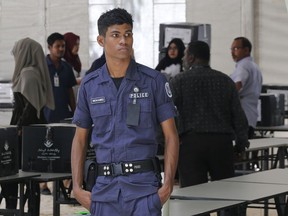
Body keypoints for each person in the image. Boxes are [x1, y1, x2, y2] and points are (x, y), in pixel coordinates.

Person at [71, 8, 179, 216]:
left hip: (144, 190)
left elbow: (171, 135)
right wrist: (77, 188)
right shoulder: (90, 85)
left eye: (128, 34)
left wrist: (167, 186)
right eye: (116, 35)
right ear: (101, 41)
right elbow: (80, 139)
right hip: (104, 193)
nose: (123, 40)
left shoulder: (153, 81)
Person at [169, 41, 250, 188]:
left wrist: (168, 142)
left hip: (190, 145)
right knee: (226, 195)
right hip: (222, 145)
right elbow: (238, 116)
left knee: (194, 197)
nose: (183, 59)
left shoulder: (178, 81)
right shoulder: (226, 81)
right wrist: (240, 145)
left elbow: (166, 114)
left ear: (191, 58)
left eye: (185, 55)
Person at [1, 37, 54, 215]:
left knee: (15, 175)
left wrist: (16, 129)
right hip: (28, 132)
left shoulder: (28, 74)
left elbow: (30, 109)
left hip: (24, 135)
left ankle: (14, 210)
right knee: (29, 178)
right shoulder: (31, 73)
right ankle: (29, 211)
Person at [230, 37, 263, 170]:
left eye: (236, 48)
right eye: (231, 49)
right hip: (251, 116)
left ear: (246, 50)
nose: (233, 52)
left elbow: (238, 84)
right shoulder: (255, 66)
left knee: (237, 155)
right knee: (244, 155)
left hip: (241, 116)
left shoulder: (243, 66)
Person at [44, 32, 77, 123]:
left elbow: (70, 92)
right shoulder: (42, 67)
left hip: (64, 116)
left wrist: (75, 112)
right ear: (49, 47)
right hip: (45, 116)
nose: (61, 49)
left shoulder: (67, 67)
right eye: (57, 46)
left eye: (63, 46)